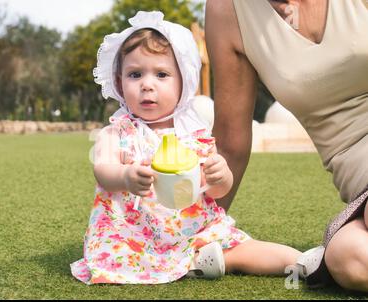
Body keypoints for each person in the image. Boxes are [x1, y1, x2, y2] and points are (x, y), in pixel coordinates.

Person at [70, 11, 300, 285]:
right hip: (134, 236)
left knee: (243, 249)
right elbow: (102, 170)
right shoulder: (116, 132)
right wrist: (125, 176)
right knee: (122, 259)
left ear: (184, 82)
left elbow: (215, 191)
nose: (147, 85)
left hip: (195, 230)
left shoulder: (196, 135)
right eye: (135, 74)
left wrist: (220, 175)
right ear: (119, 82)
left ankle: (305, 261)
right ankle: (195, 262)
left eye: (162, 74)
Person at [205, 0, 368, 291]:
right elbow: (230, 145)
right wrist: (190, 231)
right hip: (359, 182)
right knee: (349, 259)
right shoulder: (227, 10)